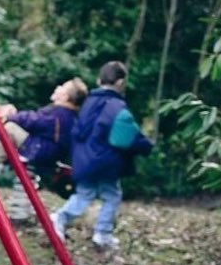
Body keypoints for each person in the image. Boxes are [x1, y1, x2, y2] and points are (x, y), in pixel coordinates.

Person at [50, 61, 153, 249]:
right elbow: (123, 139)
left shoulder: (88, 102)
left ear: (99, 79)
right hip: (105, 162)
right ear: (120, 82)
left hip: (84, 160)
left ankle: (61, 218)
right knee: (112, 196)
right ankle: (102, 233)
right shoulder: (117, 106)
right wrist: (146, 145)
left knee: (84, 195)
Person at [0, 77, 88, 224]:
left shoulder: (59, 114)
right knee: (26, 181)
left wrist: (11, 116)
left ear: (65, 97)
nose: (57, 87)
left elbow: (33, 120)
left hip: (38, 151)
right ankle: (21, 214)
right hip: (46, 152)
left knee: (9, 129)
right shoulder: (68, 116)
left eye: (62, 86)